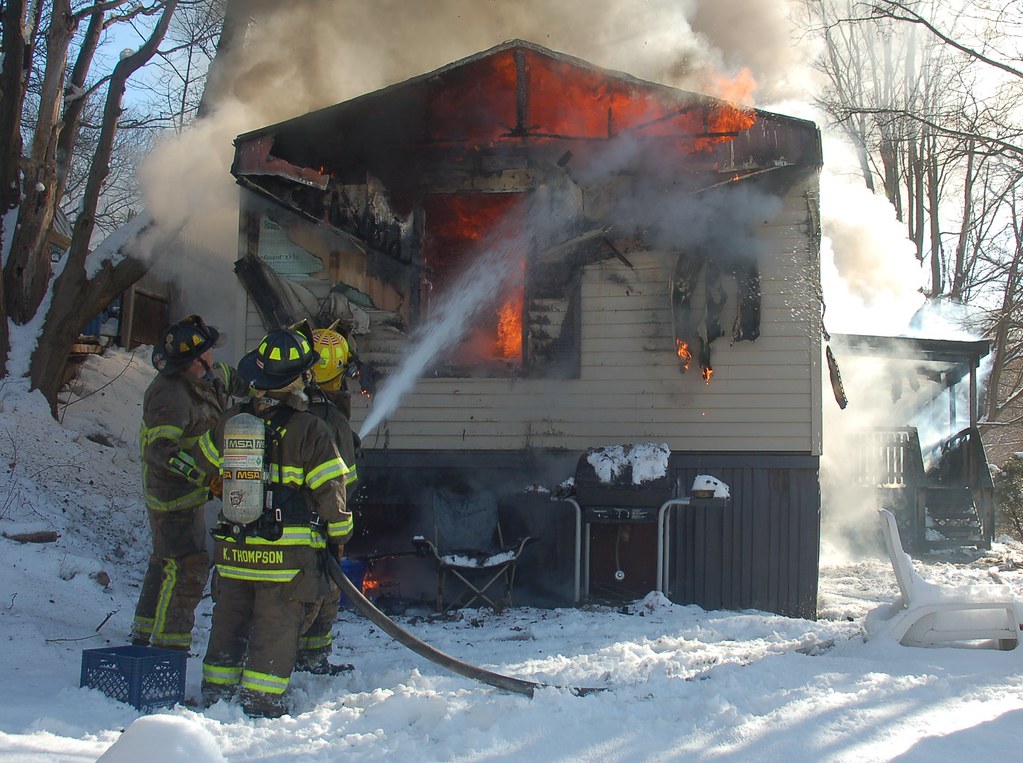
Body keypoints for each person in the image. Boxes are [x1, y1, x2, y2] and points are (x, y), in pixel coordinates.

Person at [196, 323, 354, 718]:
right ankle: (262, 701)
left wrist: (218, 483)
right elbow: (331, 492)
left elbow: (199, 463)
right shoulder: (310, 429)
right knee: (275, 627)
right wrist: (340, 535)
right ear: (301, 378)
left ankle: (216, 694)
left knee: (229, 620)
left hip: (234, 550)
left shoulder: (232, 420)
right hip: (285, 560)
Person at [132, 314, 247, 651]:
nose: (214, 356)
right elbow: (161, 452)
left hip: (190, 493)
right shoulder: (169, 396)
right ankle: (169, 648)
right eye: (208, 351)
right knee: (188, 567)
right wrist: (207, 477)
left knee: (164, 560)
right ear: (194, 360)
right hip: (171, 497)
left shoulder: (211, 377)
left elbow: (241, 382)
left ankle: (144, 630)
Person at [292, 325, 361, 675]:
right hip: (319, 524)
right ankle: (309, 658)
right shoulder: (333, 420)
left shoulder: (291, 410)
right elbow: (344, 482)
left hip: (284, 523)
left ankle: (294, 654)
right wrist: (340, 534)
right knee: (325, 590)